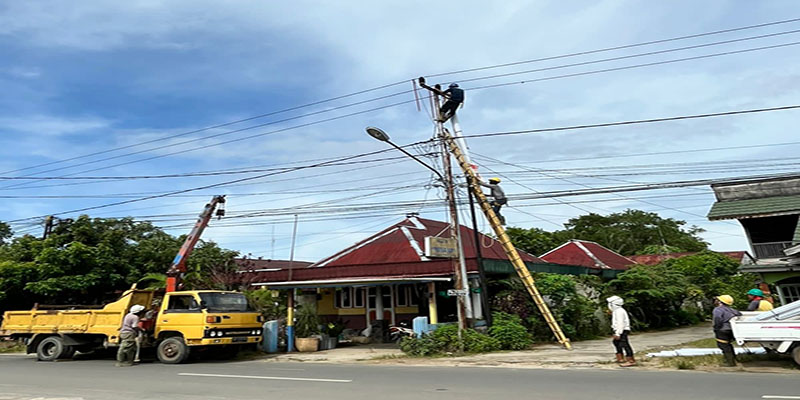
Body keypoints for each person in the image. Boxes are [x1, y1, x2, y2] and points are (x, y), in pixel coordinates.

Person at [712, 295, 742, 367]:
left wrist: (716, 327)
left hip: (722, 329)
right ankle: (733, 358)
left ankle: (730, 362)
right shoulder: (732, 310)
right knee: (728, 344)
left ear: (720, 302)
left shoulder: (718, 309)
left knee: (723, 345)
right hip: (731, 329)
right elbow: (740, 314)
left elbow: (717, 318)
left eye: (717, 300)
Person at [606, 296, 636, 367]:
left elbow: (620, 323)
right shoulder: (616, 311)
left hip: (622, 330)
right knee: (616, 342)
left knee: (625, 344)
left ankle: (631, 360)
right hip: (619, 330)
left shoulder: (619, 311)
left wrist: (618, 333)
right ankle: (620, 358)